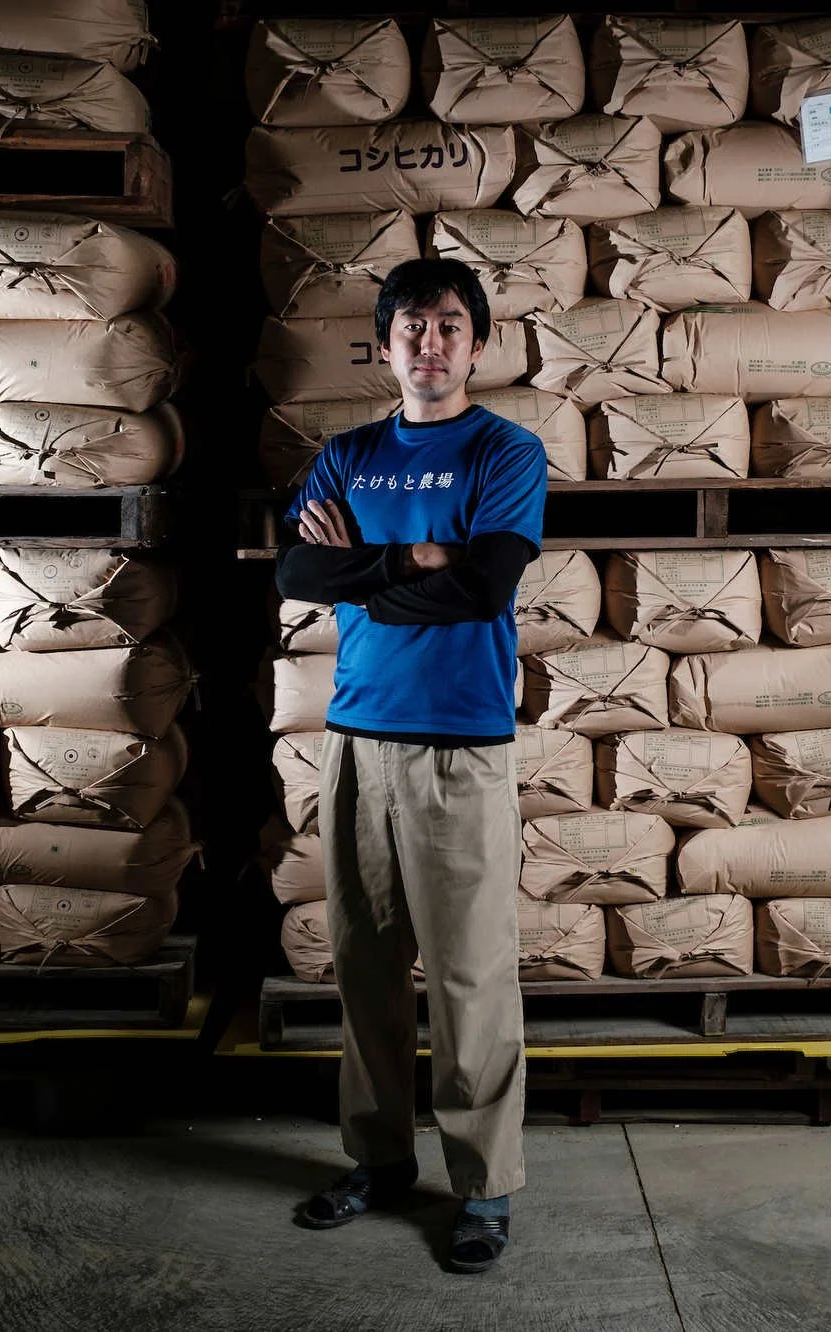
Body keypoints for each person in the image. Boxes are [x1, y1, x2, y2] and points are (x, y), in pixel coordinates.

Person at [274, 258, 546, 1275]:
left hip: (459, 743)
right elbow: (300, 571)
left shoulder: (503, 451)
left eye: (447, 326)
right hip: (356, 737)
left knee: (470, 976)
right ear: (382, 346)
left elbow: (484, 588)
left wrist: (371, 575)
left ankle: (482, 1189)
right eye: (409, 328)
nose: (427, 344)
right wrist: (408, 560)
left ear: (477, 343)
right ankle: (378, 1160)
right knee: (366, 968)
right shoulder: (347, 454)